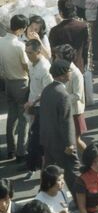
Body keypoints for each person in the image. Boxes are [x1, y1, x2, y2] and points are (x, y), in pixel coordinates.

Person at [39, 59, 80, 194]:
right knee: (73, 172)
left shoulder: (46, 90)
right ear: (62, 75)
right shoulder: (63, 95)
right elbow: (66, 121)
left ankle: (44, 196)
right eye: (69, 70)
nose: (71, 72)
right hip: (62, 143)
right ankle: (80, 199)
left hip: (48, 140)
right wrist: (70, 144)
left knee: (48, 174)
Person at [0, 14, 29, 162]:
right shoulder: (19, 45)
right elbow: (26, 66)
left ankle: (10, 149)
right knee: (23, 118)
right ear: (21, 29)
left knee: (11, 118)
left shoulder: (0, 41)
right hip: (21, 83)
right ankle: (21, 151)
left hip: (8, 83)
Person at [25, 39, 52, 175]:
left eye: (30, 53)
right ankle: (34, 166)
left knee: (37, 139)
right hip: (32, 105)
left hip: (41, 107)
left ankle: (40, 168)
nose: (28, 55)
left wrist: (33, 102)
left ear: (38, 51)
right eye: (26, 52)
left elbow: (47, 92)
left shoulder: (45, 68)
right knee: (33, 136)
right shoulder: (31, 64)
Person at [49, 0, 89, 72]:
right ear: (74, 10)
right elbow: (86, 49)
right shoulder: (83, 26)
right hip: (79, 66)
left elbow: (53, 53)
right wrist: (85, 64)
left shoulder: (54, 30)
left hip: (62, 70)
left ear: (61, 13)